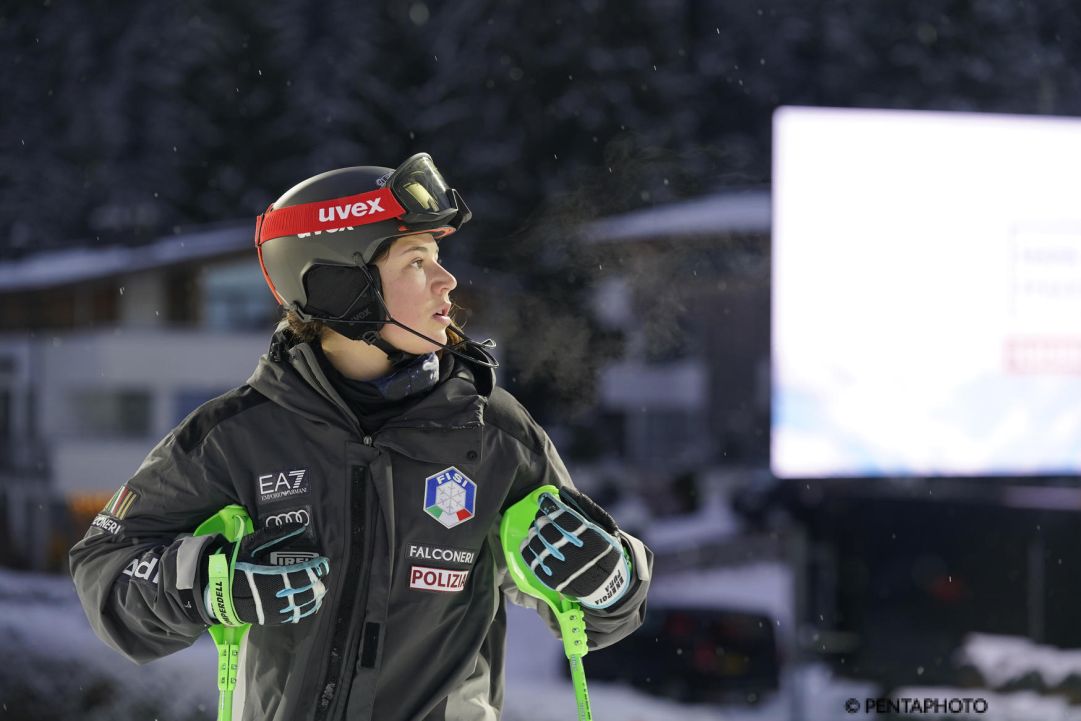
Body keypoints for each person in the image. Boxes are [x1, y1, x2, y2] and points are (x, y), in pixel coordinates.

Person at [69, 153, 653, 721]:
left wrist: (613, 582)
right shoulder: (236, 437)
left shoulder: (496, 434)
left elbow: (603, 611)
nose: (447, 282)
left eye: (438, 257)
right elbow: (105, 570)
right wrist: (206, 585)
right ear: (339, 288)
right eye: (416, 262)